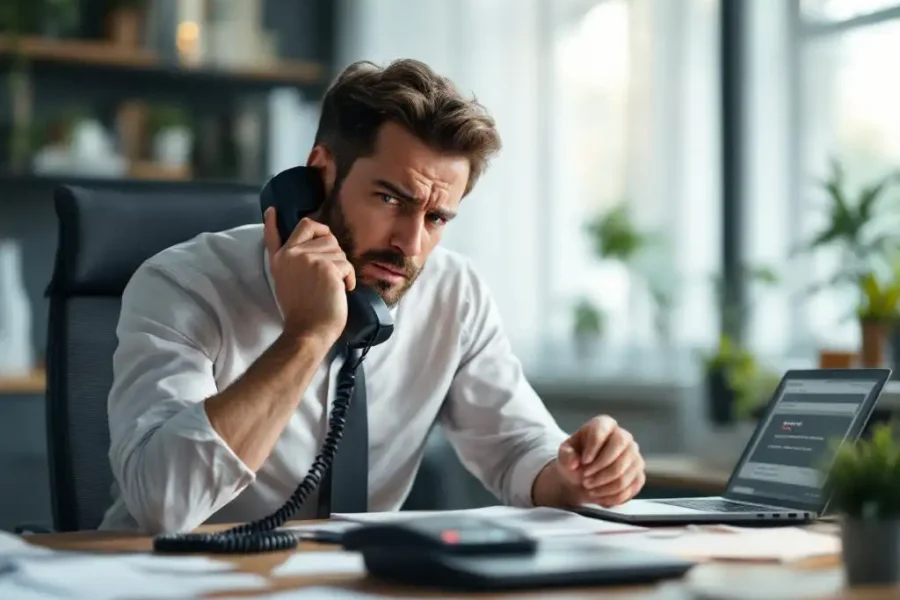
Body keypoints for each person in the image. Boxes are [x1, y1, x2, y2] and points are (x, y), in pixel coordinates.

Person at [99, 59, 646, 533]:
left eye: (435, 217)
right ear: (320, 176)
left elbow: (517, 452)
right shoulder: (183, 284)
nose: (410, 243)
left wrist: (581, 475)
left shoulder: (454, 293)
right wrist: (308, 336)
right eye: (390, 198)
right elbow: (162, 504)